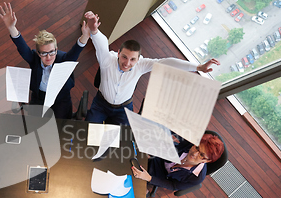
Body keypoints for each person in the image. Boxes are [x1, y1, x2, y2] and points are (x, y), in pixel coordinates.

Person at [83, 11, 220, 125]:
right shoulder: (107, 60)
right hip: (101, 104)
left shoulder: (142, 65)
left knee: (116, 141)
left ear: (139, 59)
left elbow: (167, 63)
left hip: (123, 109)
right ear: (118, 53)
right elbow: (101, 44)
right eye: (124, 57)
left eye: (132, 59)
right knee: (87, 133)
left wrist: (198, 67)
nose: (127, 63)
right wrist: (94, 30)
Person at [0, 2, 91, 119]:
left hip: (60, 98)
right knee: (35, 123)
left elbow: (75, 51)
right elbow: (23, 48)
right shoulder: (35, 59)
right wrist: (12, 28)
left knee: (60, 125)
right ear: (38, 53)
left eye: (52, 52)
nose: (48, 57)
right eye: (44, 53)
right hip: (39, 97)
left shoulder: (63, 59)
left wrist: (85, 36)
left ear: (56, 50)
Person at [132, 133, 224, 197]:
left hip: (163, 176)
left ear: (207, 161)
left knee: (134, 182)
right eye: (196, 148)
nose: (194, 153)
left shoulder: (197, 177)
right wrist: (154, 153)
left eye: (201, 155)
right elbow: (170, 146)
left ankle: (145, 189)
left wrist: (149, 178)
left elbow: (173, 185)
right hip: (161, 159)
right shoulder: (188, 145)